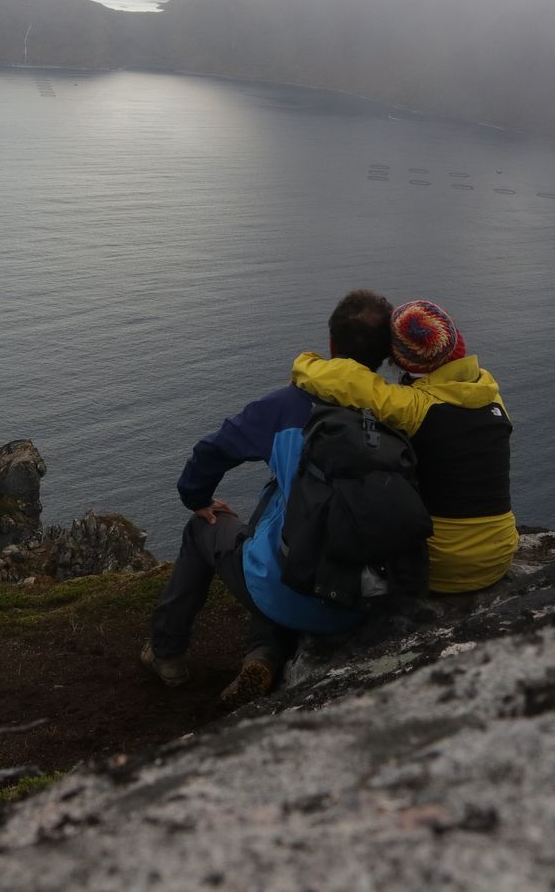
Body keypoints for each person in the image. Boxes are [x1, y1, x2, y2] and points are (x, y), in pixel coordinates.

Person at [143, 289, 395, 707]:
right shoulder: (399, 411)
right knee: (281, 517)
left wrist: (197, 498)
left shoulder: (288, 406)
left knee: (210, 530)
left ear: (330, 345)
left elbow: (212, 451)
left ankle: (167, 653)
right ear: (386, 355)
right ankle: (263, 653)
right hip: (363, 600)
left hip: (285, 590)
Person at [291, 299, 515, 595]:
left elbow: (344, 380)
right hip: (500, 555)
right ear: (456, 341)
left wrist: (305, 361)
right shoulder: (490, 394)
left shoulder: (413, 408)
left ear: (397, 361)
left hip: (439, 567)